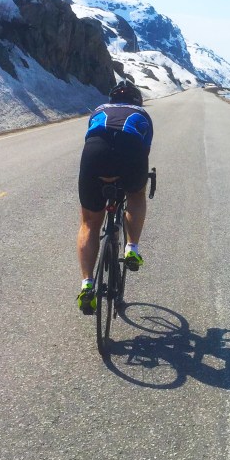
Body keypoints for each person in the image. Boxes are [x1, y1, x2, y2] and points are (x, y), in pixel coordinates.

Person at [75, 79, 154, 314]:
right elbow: (144, 150)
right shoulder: (142, 115)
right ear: (137, 100)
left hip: (95, 152)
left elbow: (91, 138)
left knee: (89, 222)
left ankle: (87, 285)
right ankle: (132, 248)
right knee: (136, 194)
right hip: (131, 150)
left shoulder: (99, 110)